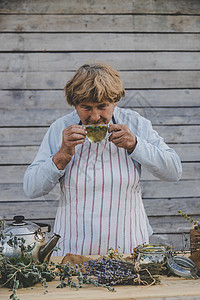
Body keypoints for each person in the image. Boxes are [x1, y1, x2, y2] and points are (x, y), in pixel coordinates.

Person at [23, 62, 182, 256]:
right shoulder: (60, 128)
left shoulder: (135, 123)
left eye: (102, 106)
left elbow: (174, 171)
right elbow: (31, 188)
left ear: (115, 101)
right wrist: (60, 157)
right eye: (86, 108)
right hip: (72, 253)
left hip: (129, 250)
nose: (95, 117)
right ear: (75, 104)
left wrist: (135, 145)